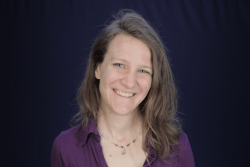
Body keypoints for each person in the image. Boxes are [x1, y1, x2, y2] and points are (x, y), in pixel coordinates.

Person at [51, 10, 195, 167]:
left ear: (154, 80)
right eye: (119, 65)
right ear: (97, 68)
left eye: (143, 71)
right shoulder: (65, 148)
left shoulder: (178, 148)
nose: (129, 82)